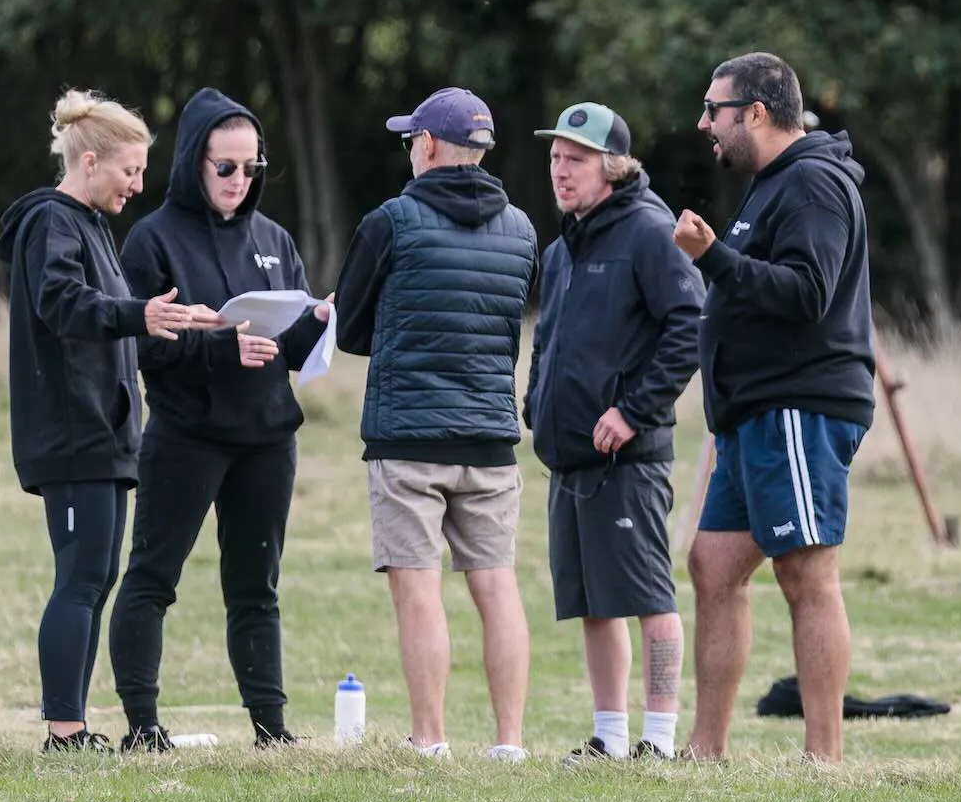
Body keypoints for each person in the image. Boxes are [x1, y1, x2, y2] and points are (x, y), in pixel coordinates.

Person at [0, 89, 220, 753]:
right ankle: (64, 735)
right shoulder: (51, 224)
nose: (138, 186)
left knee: (97, 576)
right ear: (90, 162)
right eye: (130, 171)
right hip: (71, 436)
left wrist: (177, 321)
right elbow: (66, 305)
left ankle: (75, 728)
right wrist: (137, 313)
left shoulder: (90, 226)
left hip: (106, 436)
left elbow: (118, 315)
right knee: (82, 576)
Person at [108, 88, 332, 752]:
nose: (239, 181)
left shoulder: (275, 239)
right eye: (225, 167)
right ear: (193, 163)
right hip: (186, 436)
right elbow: (140, 344)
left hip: (267, 439)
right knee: (153, 577)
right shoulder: (153, 240)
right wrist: (218, 344)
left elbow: (284, 347)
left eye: (251, 168)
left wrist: (316, 327)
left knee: (256, 588)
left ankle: (272, 731)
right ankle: (144, 730)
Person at [671, 51, 875, 763]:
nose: (704, 125)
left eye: (713, 111)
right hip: (751, 415)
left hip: (798, 407)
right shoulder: (771, 185)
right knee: (713, 566)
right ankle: (706, 750)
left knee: (805, 572)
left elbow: (805, 294)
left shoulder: (814, 184)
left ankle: (825, 760)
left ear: (755, 112)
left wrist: (712, 258)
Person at [334, 86, 539, 761]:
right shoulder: (522, 228)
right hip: (490, 436)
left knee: (418, 587)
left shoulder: (390, 221)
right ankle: (509, 742)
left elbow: (355, 330)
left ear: (426, 146)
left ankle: (431, 739)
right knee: (496, 583)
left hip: (409, 434)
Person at [524, 101, 704, 763]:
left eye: (576, 161)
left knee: (648, 597)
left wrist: (632, 411)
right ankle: (610, 736)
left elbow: (691, 325)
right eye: (555, 159)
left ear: (614, 167)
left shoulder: (650, 233)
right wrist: (534, 402)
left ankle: (657, 741)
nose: (561, 172)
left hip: (630, 459)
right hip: (570, 457)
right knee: (594, 603)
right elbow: (547, 338)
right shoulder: (565, 245)